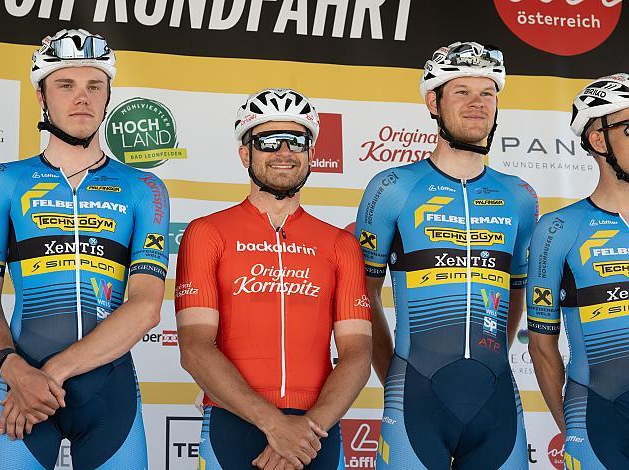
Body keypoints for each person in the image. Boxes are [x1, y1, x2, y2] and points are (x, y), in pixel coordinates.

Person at [0, 28, 169, 470]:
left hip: (106, 393)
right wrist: (14, 370)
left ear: (108, 96)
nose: (82, 98)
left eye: (94, 85)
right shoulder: (2, 181)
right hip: (18, 380)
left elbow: (146, 307)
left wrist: (49, 375)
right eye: (66, 84)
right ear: (42, 96)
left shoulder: (144, 187)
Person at [355, 42, 537, 469]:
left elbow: (517, 291)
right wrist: (395, 375)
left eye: (487, 93)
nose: (477, 103)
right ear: (432, 101)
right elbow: (362, 296)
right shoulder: (392, 187)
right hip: (415, 392)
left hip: (495, 395)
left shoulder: (520, 196)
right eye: (462, 92)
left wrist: (490, 353)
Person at [175, 88, 372, 469]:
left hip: (316, 433)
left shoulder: (340, 244)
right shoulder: (207, 233)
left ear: (311, 154)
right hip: (235, 427)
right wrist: (276, 426)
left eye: (296, 141)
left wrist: (301, 433)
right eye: (267, 141)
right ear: (245, 153)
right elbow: (195, 348)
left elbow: (357, 355)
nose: (284, 152)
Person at [527, 73, 629, 469]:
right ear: (600, 140)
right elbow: (540, 345)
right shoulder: (558, 229)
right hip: (597, 418)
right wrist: (571, 427)